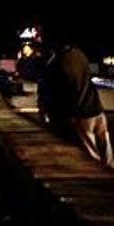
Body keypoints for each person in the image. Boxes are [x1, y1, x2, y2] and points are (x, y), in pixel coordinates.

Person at [34, 28, 113, 168]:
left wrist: (45, 112)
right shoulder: (80, 54)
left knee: (91, 156)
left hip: (81, 114)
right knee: (107, 152)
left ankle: (94, 183)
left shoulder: (56, 63)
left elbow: (49, 92)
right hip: (97, 109)